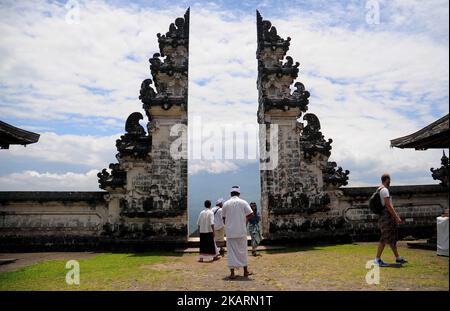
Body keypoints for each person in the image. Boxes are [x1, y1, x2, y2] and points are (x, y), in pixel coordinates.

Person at [374, 173, 408, 267]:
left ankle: (398, 257)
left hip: (384, 216)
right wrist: (396, 217)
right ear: (387, 180)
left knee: (391, 238)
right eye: (390, 180)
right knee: (385, 237)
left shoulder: (379, 189)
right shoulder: (384, 190)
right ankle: (377, 259)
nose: (390, 182)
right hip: (386, 217)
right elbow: (388, 205)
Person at [222, 186, 254, 279]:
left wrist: (228, 224)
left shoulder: (226, 204)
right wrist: (244, 220)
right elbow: (251, 214)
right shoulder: (243, 202)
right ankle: (245, 272)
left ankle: (232, 273)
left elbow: (223, 218)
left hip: (230, 232)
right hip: (241, 231)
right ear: (239, 194)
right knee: (243, 251)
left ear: (231, 194)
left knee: (231, 253)